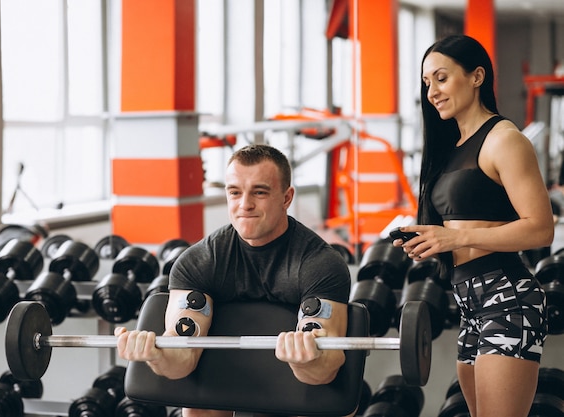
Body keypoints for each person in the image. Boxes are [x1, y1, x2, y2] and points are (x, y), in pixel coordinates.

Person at [116, 144, 352, 417]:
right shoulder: (200, 261)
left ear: (286, 198)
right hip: (218, 391)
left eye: (259, 192)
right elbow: (183, 359)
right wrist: (156, 356)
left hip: (304, 395)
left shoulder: (320, 263)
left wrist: (306, 359)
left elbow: (326, 368)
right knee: (195, 406)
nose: (245, 205)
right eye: (235, 192)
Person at [393, 34, 554, 417]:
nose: (432, 91)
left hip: (508, 297)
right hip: (469, 302)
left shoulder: (505, 140)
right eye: (426, 83)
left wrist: (456, 237)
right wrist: (428, 241)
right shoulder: (450, 149)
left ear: (477, 76)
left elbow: (540, 229)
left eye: (442, 78)